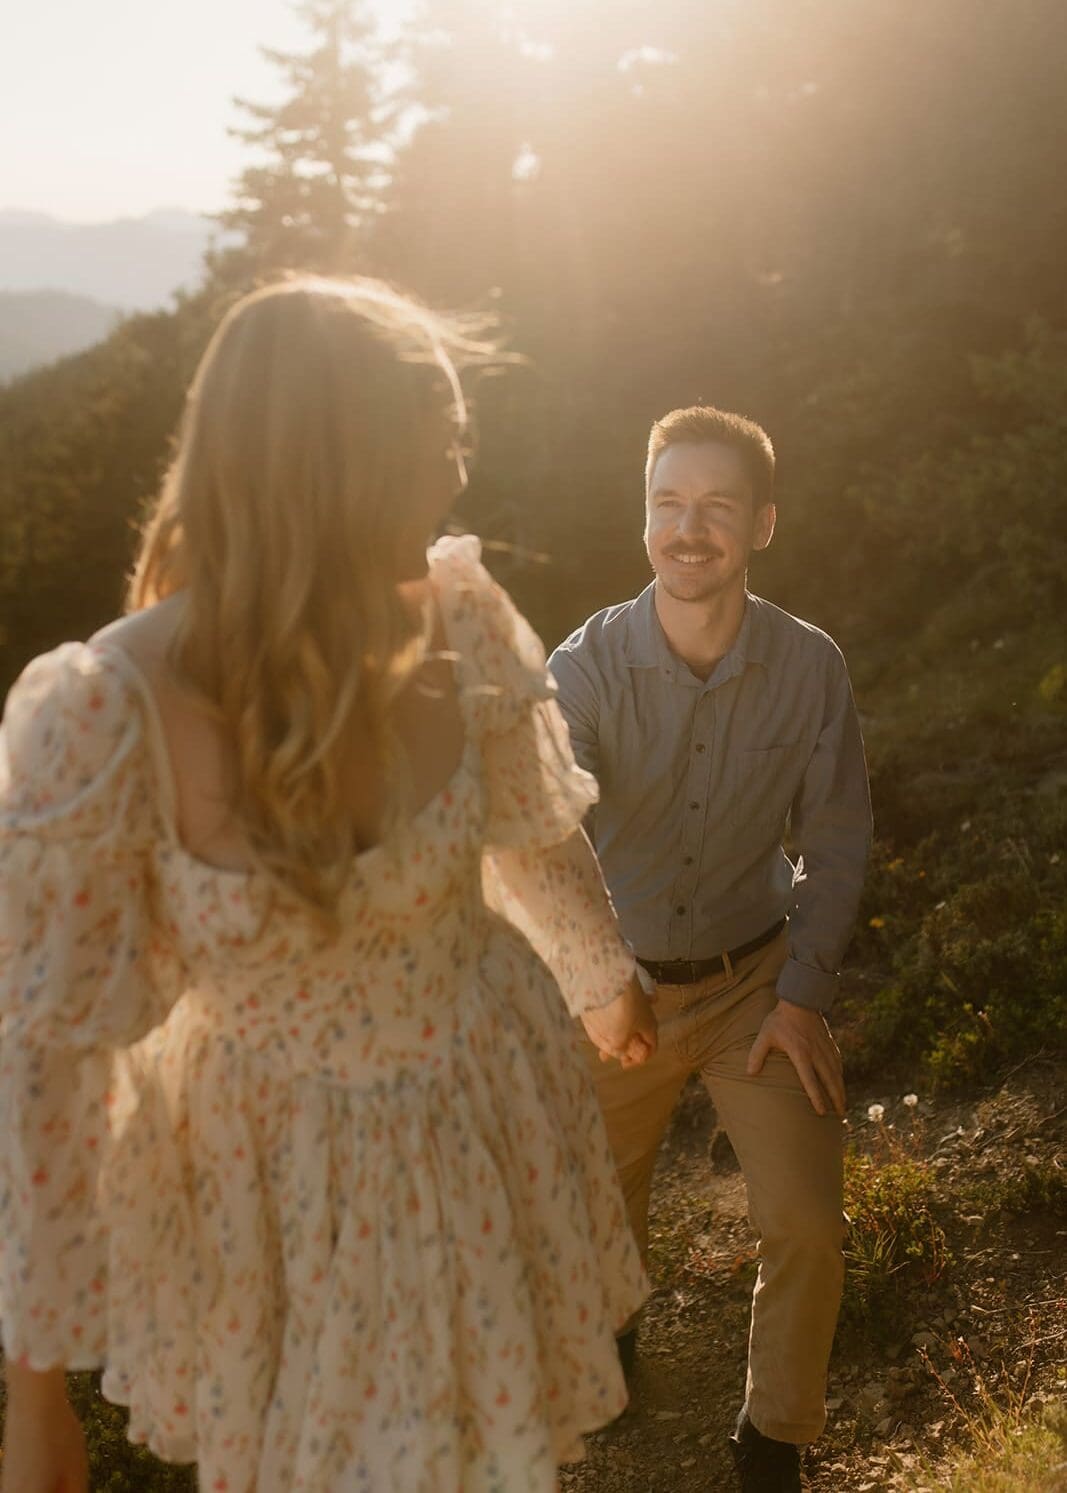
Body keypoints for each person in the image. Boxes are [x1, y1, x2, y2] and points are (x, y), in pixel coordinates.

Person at [0, 276, 658, 1493]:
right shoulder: (107, 708)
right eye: (436, 443)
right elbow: (46, 1051)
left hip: (479, 1120)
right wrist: (31, 1386)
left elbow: (527, 828)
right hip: (270, 1188)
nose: (458, 477)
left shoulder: (459, 619)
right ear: (334, 463)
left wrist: (599, 972)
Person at [547, 405, 872, 1493]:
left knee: (807, 1224)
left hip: (753, 984)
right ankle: (615, 1321)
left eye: (716, 508)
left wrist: (801, 994)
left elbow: (832, 838)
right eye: (667, 504)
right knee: (590, 1226)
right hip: (613, 993)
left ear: (760, 524)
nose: (688, 529)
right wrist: (599, 984)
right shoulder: (581, 669)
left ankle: (771, 1439)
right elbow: (544, 832)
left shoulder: (808, 665)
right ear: (643, 517)